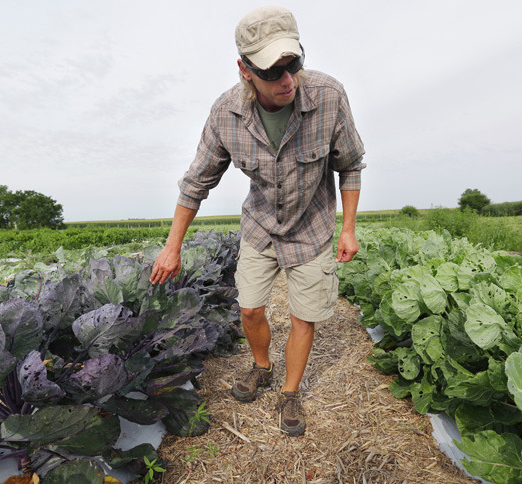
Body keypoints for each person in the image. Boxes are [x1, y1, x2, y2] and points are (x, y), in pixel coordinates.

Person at [149, 5, 365, 437]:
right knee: (249, 309)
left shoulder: (328, 96)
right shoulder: (227, 114)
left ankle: (290, 391)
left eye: (294, 64)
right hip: (261, 227)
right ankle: (262, 366)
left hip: (313, 227)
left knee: (304, 315)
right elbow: (197, 181)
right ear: (245, 70)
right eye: (273, 71)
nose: (288, 80)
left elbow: (351, 164)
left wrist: (348, 228)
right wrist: (172, 246)